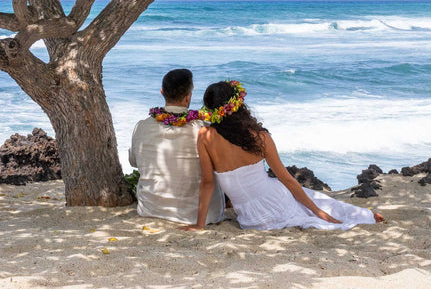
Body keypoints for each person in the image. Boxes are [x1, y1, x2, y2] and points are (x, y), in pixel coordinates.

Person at [186, 80, 386, 231]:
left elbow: (207, 183)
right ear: (238, 104)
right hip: (277, 204)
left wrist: (199, 225)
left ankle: (362, 216)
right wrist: (318, 212)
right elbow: (287, 180)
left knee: (312, 198)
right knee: (315, 200)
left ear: (211, 109)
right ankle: (366, 216)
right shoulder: (260, 137)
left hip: (249, 220)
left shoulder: (205, 136)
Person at [128, 68, 226, 225]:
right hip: (199, 215)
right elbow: (222, 167)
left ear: (162, 92)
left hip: (151, 209)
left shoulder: (141, 127)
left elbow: (133, 162)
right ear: (188, 97)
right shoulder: (205, 130)